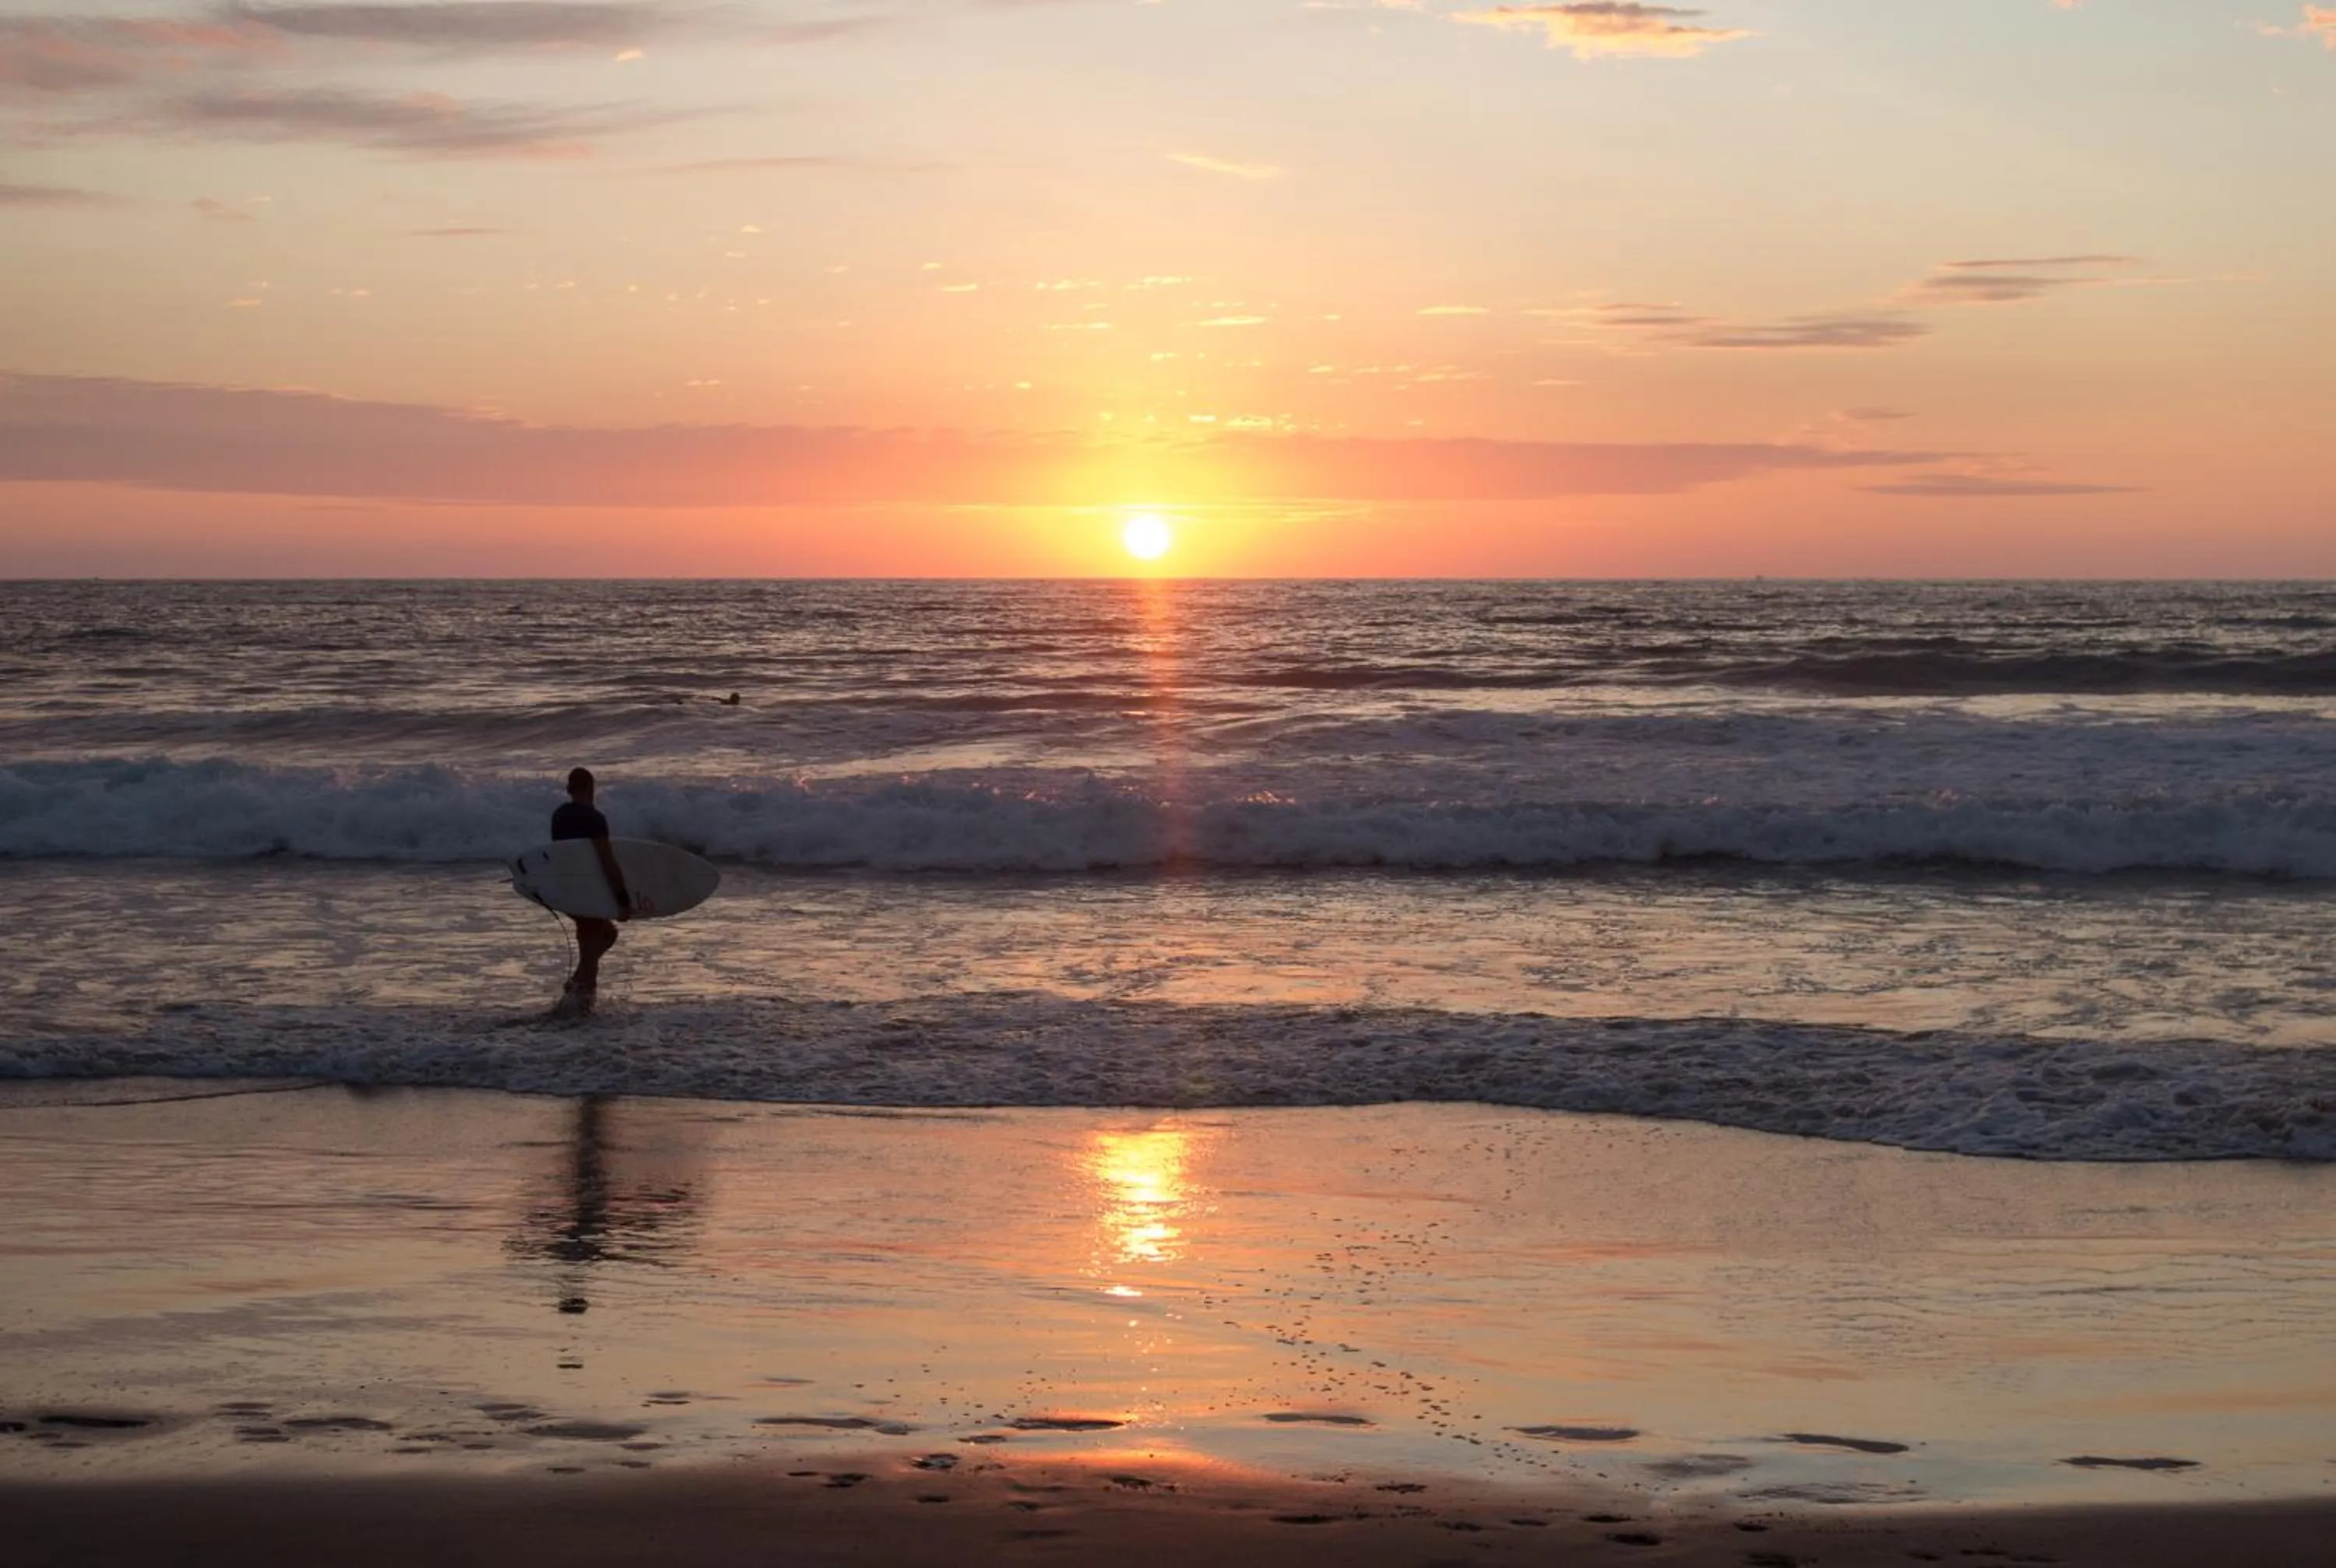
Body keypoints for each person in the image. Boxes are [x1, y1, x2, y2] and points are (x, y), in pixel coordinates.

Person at [552, 767, 631, 1008]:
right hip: (590, 890)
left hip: (567, 887)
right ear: (590, 788)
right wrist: (622, 899)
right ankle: (583, 1008)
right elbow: (607, 861)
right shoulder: (594, 819)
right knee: (592, 947)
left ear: (569, 789)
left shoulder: (559, 816)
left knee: (607, 935)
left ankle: (577, 984)